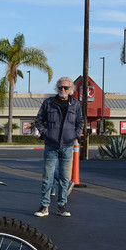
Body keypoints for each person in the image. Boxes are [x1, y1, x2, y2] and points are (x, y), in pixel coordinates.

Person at [34, 77, 83, 217]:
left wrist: (75, 135)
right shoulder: (48, 103)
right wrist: (45, 134)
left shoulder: (75, 105)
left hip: (67, 146)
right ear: (57, 88)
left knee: (64, 178)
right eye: (60, 87)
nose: (63, 90)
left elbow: (80, 122)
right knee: (47, 177)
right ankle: (44, 206)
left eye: (66, 88)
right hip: (51, 145)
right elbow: (38, 120)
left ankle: (62, 206)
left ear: (71, 89)